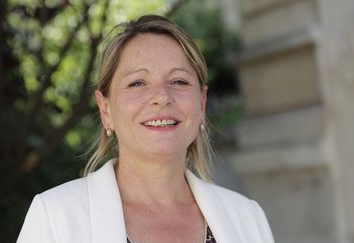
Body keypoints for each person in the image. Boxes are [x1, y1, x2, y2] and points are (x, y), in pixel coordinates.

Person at [16, 15, 275, 243]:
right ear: (105, 110)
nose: (162, 97)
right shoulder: (55, 217)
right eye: (138, 83)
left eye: (178, 81)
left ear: (202, 103)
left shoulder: (248, 217)